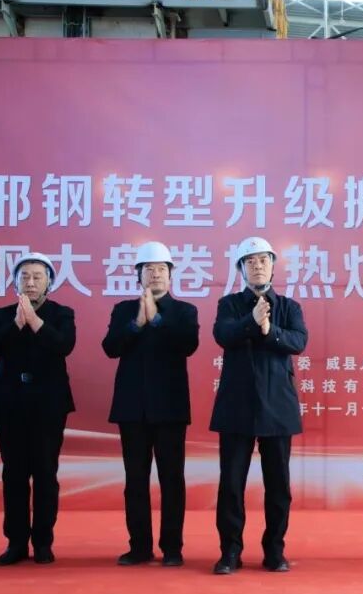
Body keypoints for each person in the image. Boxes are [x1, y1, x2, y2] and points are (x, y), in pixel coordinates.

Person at [211, 236, 308, 575]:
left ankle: (275, 551)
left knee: (278, 485)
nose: (257, 266)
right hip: (236, 406)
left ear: (273, 265)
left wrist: (268, 329)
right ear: (241, 268)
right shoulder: (229, 304)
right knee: (231, 484)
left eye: (263, 260)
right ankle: (230, 552)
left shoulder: (289, 307)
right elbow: (223, 335)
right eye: (250, 261)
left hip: (278, 407)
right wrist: (251, 321)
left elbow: (298, 341)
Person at [102, 241, 199, 567]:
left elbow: (188, 345)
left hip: (170, 409)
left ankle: (172, 548)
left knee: (172, 480)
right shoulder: (123, 310)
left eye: (161, 269)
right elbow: (110, 348)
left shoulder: (185, 311)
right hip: (132, 409)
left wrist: (157, 321)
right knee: (135, 481)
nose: (155, 274)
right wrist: (137, 325)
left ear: (170, 276)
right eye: (148, 269)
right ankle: (139, 547)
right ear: (138, 275)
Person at [0, 252, 75, 566]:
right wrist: (16, 324)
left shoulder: (62, 314)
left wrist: (35, 323)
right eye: (25, 277)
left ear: (50, 282)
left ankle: (43, 542)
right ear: (15, 282)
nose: (31, 282)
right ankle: (16, 542)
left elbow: (64, 345)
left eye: (37, 276)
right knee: (14, 474)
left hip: (48, 406)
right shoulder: (1, 315)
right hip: (9, 405)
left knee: (46, 474)